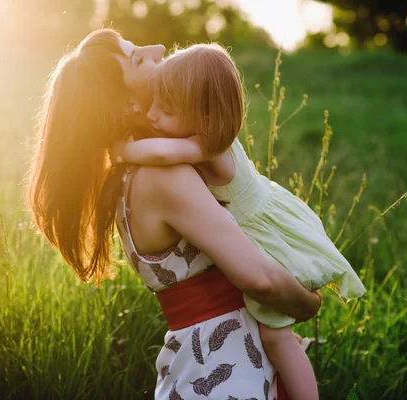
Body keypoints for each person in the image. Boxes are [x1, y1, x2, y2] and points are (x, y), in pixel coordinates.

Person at [28, 28, 321, 399]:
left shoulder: (129, 174)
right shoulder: (163, 176)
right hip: (224, 370)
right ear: (127, 106)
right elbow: (258, 279)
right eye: (138, 57)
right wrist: (306, 303)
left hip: (204, 362)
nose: (159, 48)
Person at [112, 42, 367, 399]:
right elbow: (255, 278)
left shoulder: (202, 147)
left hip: (264, 234)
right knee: (278, 336)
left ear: (203, 118)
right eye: (152, 103)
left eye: (165, 108)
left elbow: (162, 151)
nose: (154, 115)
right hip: (221, 337)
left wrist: (118, 151)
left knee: (278, 338)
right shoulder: (179, 161)